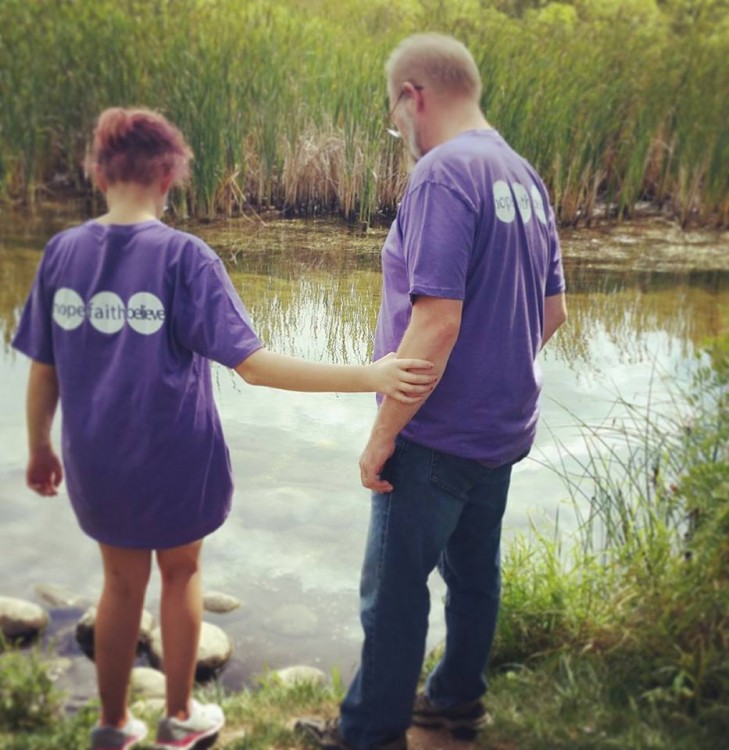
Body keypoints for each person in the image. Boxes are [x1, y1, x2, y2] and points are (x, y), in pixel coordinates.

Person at [11, 107, 437, 750]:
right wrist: (370, 376)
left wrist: (40, 445)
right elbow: (256, 368)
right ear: (170, 174)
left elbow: (43, 370)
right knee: (180, 576)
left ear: (98, 172)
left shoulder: (61, 254)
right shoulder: (185, 258)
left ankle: (112, 725)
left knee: (119, 583)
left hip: (95, 458)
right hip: (175, 459)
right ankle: (179, 718)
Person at [296, 33, 568, 750]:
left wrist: (384, 433)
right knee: (474, 573)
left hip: (434, 434)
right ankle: (455, 701)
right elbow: (551, 313)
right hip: (502, 430)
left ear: (412, 96)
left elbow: (436, 320)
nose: (399, 132)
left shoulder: (444, 175)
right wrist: (492, 376)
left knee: (392, 593)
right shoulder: (522, 176)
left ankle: (369, 733)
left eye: (394, 116)